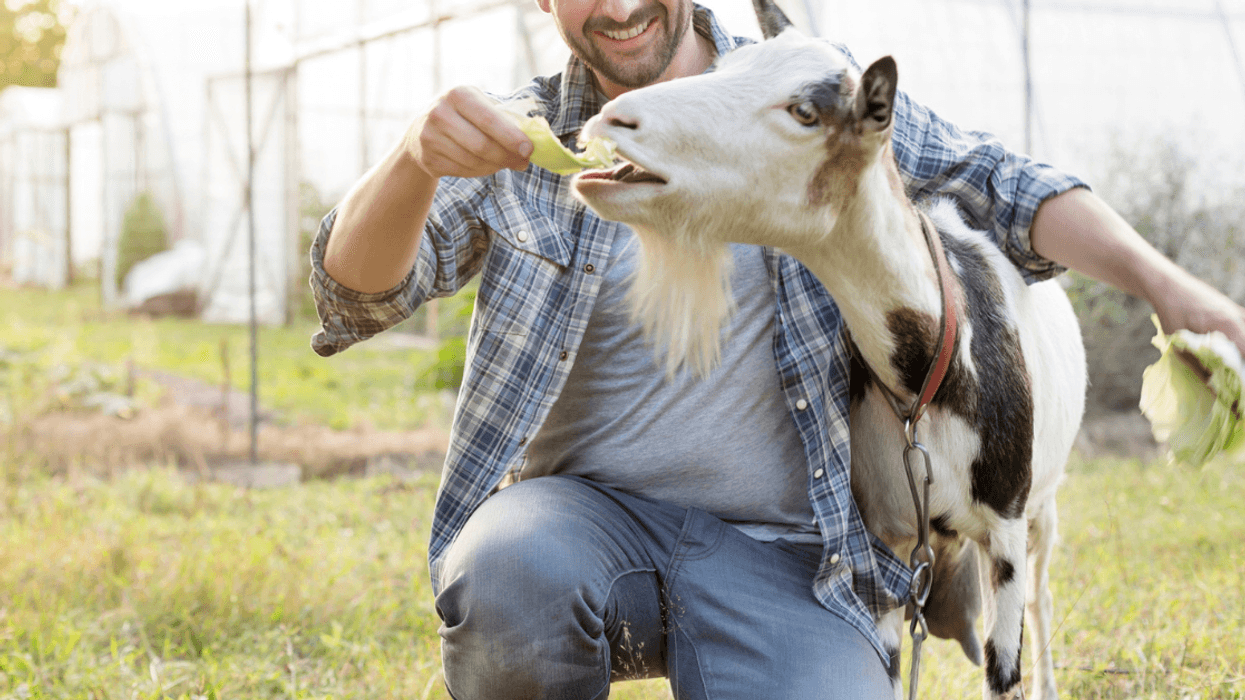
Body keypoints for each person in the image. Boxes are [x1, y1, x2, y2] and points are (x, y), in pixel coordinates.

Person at [310, 0, 1245, 697]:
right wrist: (412, 160)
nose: (618, 5)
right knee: (508, 575)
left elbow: (1002, 182)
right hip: (583, 532)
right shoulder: (524, 140)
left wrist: (1175, 290)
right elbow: (353, 296)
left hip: (796, 558)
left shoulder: (803, 95)